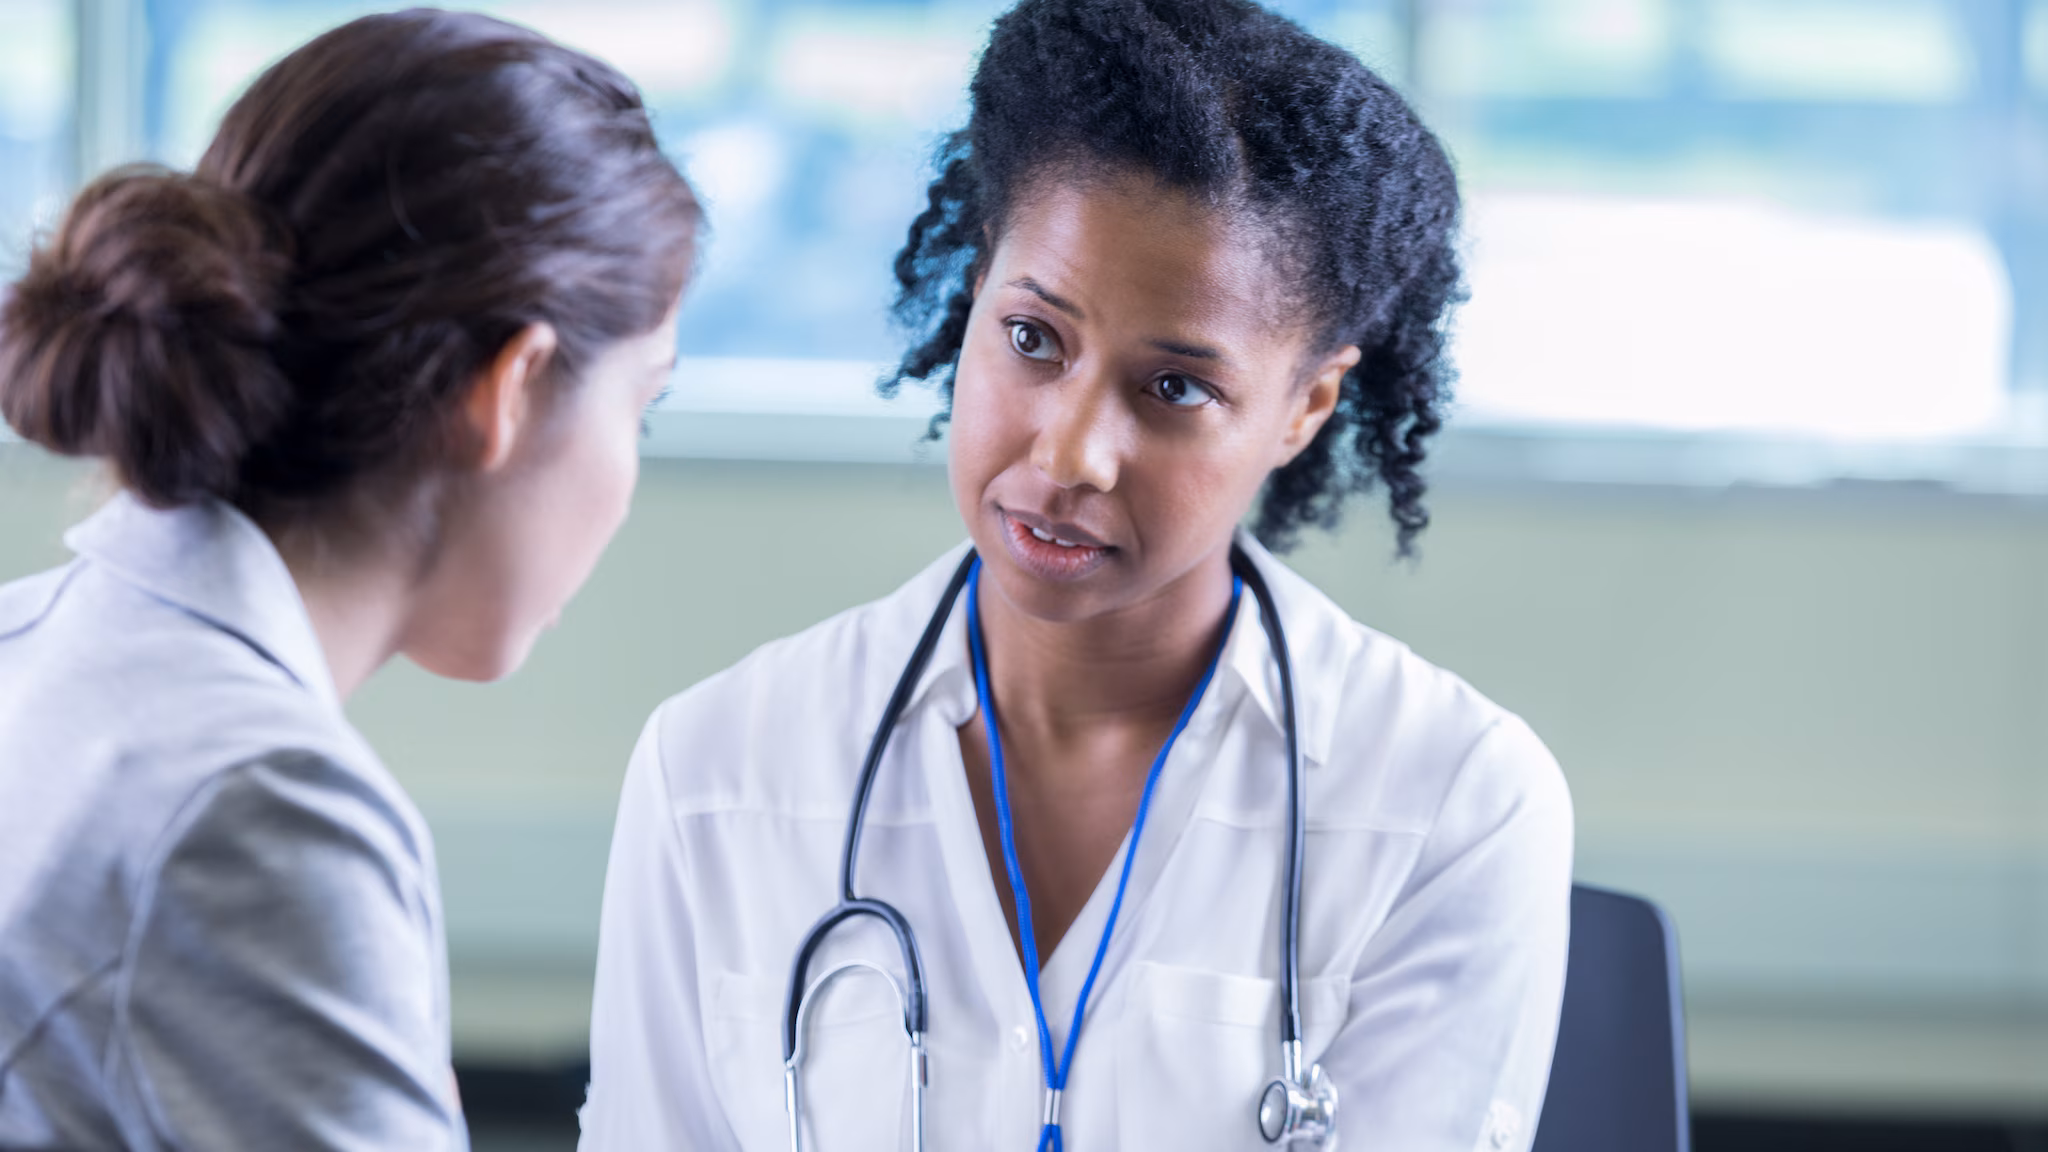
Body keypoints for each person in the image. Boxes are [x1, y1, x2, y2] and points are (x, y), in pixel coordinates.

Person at [579, 0, 1571, 1148]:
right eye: (1033, 340)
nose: (1065, 456)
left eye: (1174, 390)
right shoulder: (716, 771)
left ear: (1303, 406)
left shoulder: (1451, 802)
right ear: (973, 297)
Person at [0, 11, 700, 1150]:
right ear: (511, 389)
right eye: (642, 405)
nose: (626, 473)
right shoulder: (260, 804)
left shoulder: (30, 645)